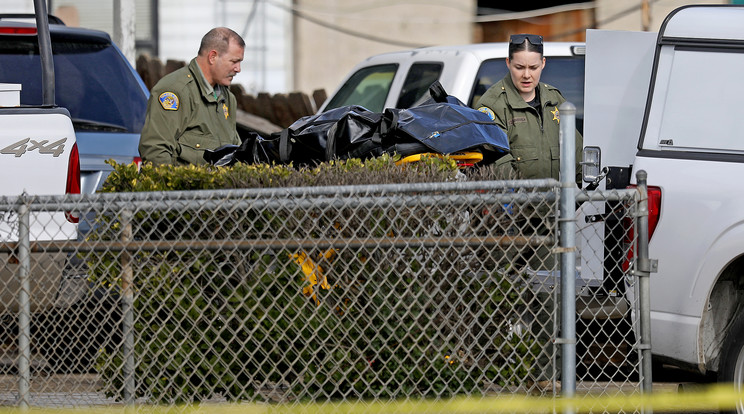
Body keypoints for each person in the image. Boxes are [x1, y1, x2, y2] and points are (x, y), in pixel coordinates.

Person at [474, 33, 582, 184]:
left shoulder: (554, 100)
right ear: (508, 63)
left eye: (533, 67)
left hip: (556, 204)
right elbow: (497, 165)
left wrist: (584, 194)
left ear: (543, 63)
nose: (526, 75)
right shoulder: (492, 106)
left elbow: (576, 154)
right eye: (519, 67)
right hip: (516, 204)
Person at [139, 27, 245, 165]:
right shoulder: (175, 91)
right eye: (234, 61)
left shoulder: (228, 98)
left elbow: (236, 155)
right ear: (213, 57)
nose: (238, 69)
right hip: (184, 186)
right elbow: (155, 153)